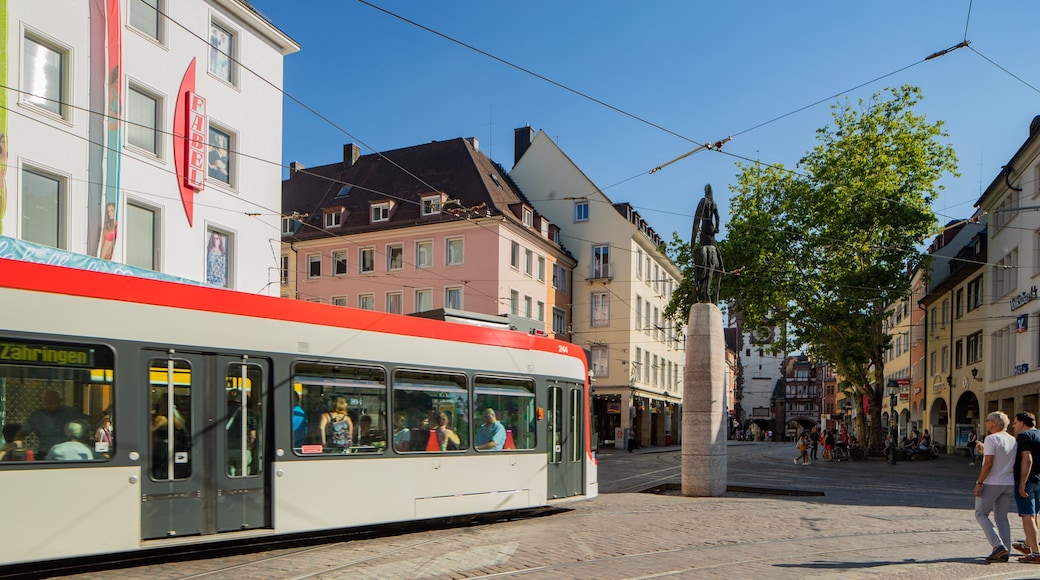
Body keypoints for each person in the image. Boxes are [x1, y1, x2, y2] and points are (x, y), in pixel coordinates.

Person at [974, 412, 1017, 562]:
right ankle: (1005, 551)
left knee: (981, 514)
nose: (985, 423)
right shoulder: (1012, 440)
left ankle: (998, 545)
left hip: (992, 482)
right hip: (1008, 482)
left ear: (994, 423)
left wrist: (979, 483)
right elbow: (1002, 456)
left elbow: (989, 463)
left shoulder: (991, 438)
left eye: (987, 421)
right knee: (1001, 518)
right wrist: (985, 450)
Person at [17, 390, 88, 458]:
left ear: (60, 401)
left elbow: (89, 421)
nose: (48, 403)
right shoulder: (36, 416)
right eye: (46, 400)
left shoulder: (70, 413)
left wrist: (99, 415)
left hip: (66, 453)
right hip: (44, 453)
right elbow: (23, 433)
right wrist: (16, 445)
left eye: (52, 400)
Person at [1011, 412, 1040, 563]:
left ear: (1022, 423)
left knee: (1027, 515)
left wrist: (1022, 482)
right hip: (1039, 480)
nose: (1014, 426)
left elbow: (1027, 459)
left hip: (1027, 481)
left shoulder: (1024, 436)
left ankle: (1036, 553)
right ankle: (1028, 544)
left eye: (1015, 423)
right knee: (1034, 514)